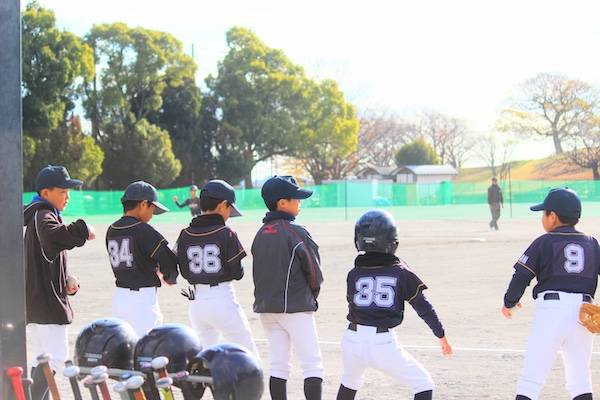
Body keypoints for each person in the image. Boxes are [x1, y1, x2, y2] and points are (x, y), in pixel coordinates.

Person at [336, 210, 452, 400]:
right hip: (382, 343)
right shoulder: (401, 273)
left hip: (351, 339)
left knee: (350, 382)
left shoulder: (354, 273)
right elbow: (424, 308)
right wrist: (441, 335)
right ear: (392, 242)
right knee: (423, 384)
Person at [502, 188, 599, 400]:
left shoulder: (544, 241)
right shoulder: (592, 243)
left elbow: (521, 276)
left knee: (531, 379)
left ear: (552, 216)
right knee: (580, 381)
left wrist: (509, 302)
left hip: (552, 310)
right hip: (584, 313)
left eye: (544, 213)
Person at [23, 165, 96, 399]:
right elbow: (54, 236)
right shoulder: (44, 213)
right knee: (54, 358)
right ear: (46, 193)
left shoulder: (38, 214)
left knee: (42, 360)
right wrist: (83, 229)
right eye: (63, 191)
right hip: (46, 303)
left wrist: (65, 279)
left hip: (39, 299)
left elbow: (45, 258)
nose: (68, 196)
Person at [252, 175, 324, 400]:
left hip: (266, 309)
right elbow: (315, 273)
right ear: (282, 203)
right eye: (296, 199)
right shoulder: (296, 231)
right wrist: (312, 296)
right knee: (312, 364)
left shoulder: (260, 233)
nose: (299, 203)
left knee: (278, 365)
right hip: (296, 307)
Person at [175, 179, 259, 356]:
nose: (229, 214)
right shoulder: (226, 232)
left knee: (205, 358)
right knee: (247, 354)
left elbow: (183, 270)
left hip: (197, 303)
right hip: (222, 298)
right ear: (222, 205)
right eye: (230, 208)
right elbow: (238, 273)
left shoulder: (185, 233)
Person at [105, 181, 179, 337]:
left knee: (125, 346)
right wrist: (170, 277)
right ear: (143, 204)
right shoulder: (144, 229)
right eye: (152, 208)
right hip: (141, 301)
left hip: (119, 299)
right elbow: (167, 261)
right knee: (148, 347)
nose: (152, 215)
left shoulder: (111, 229)